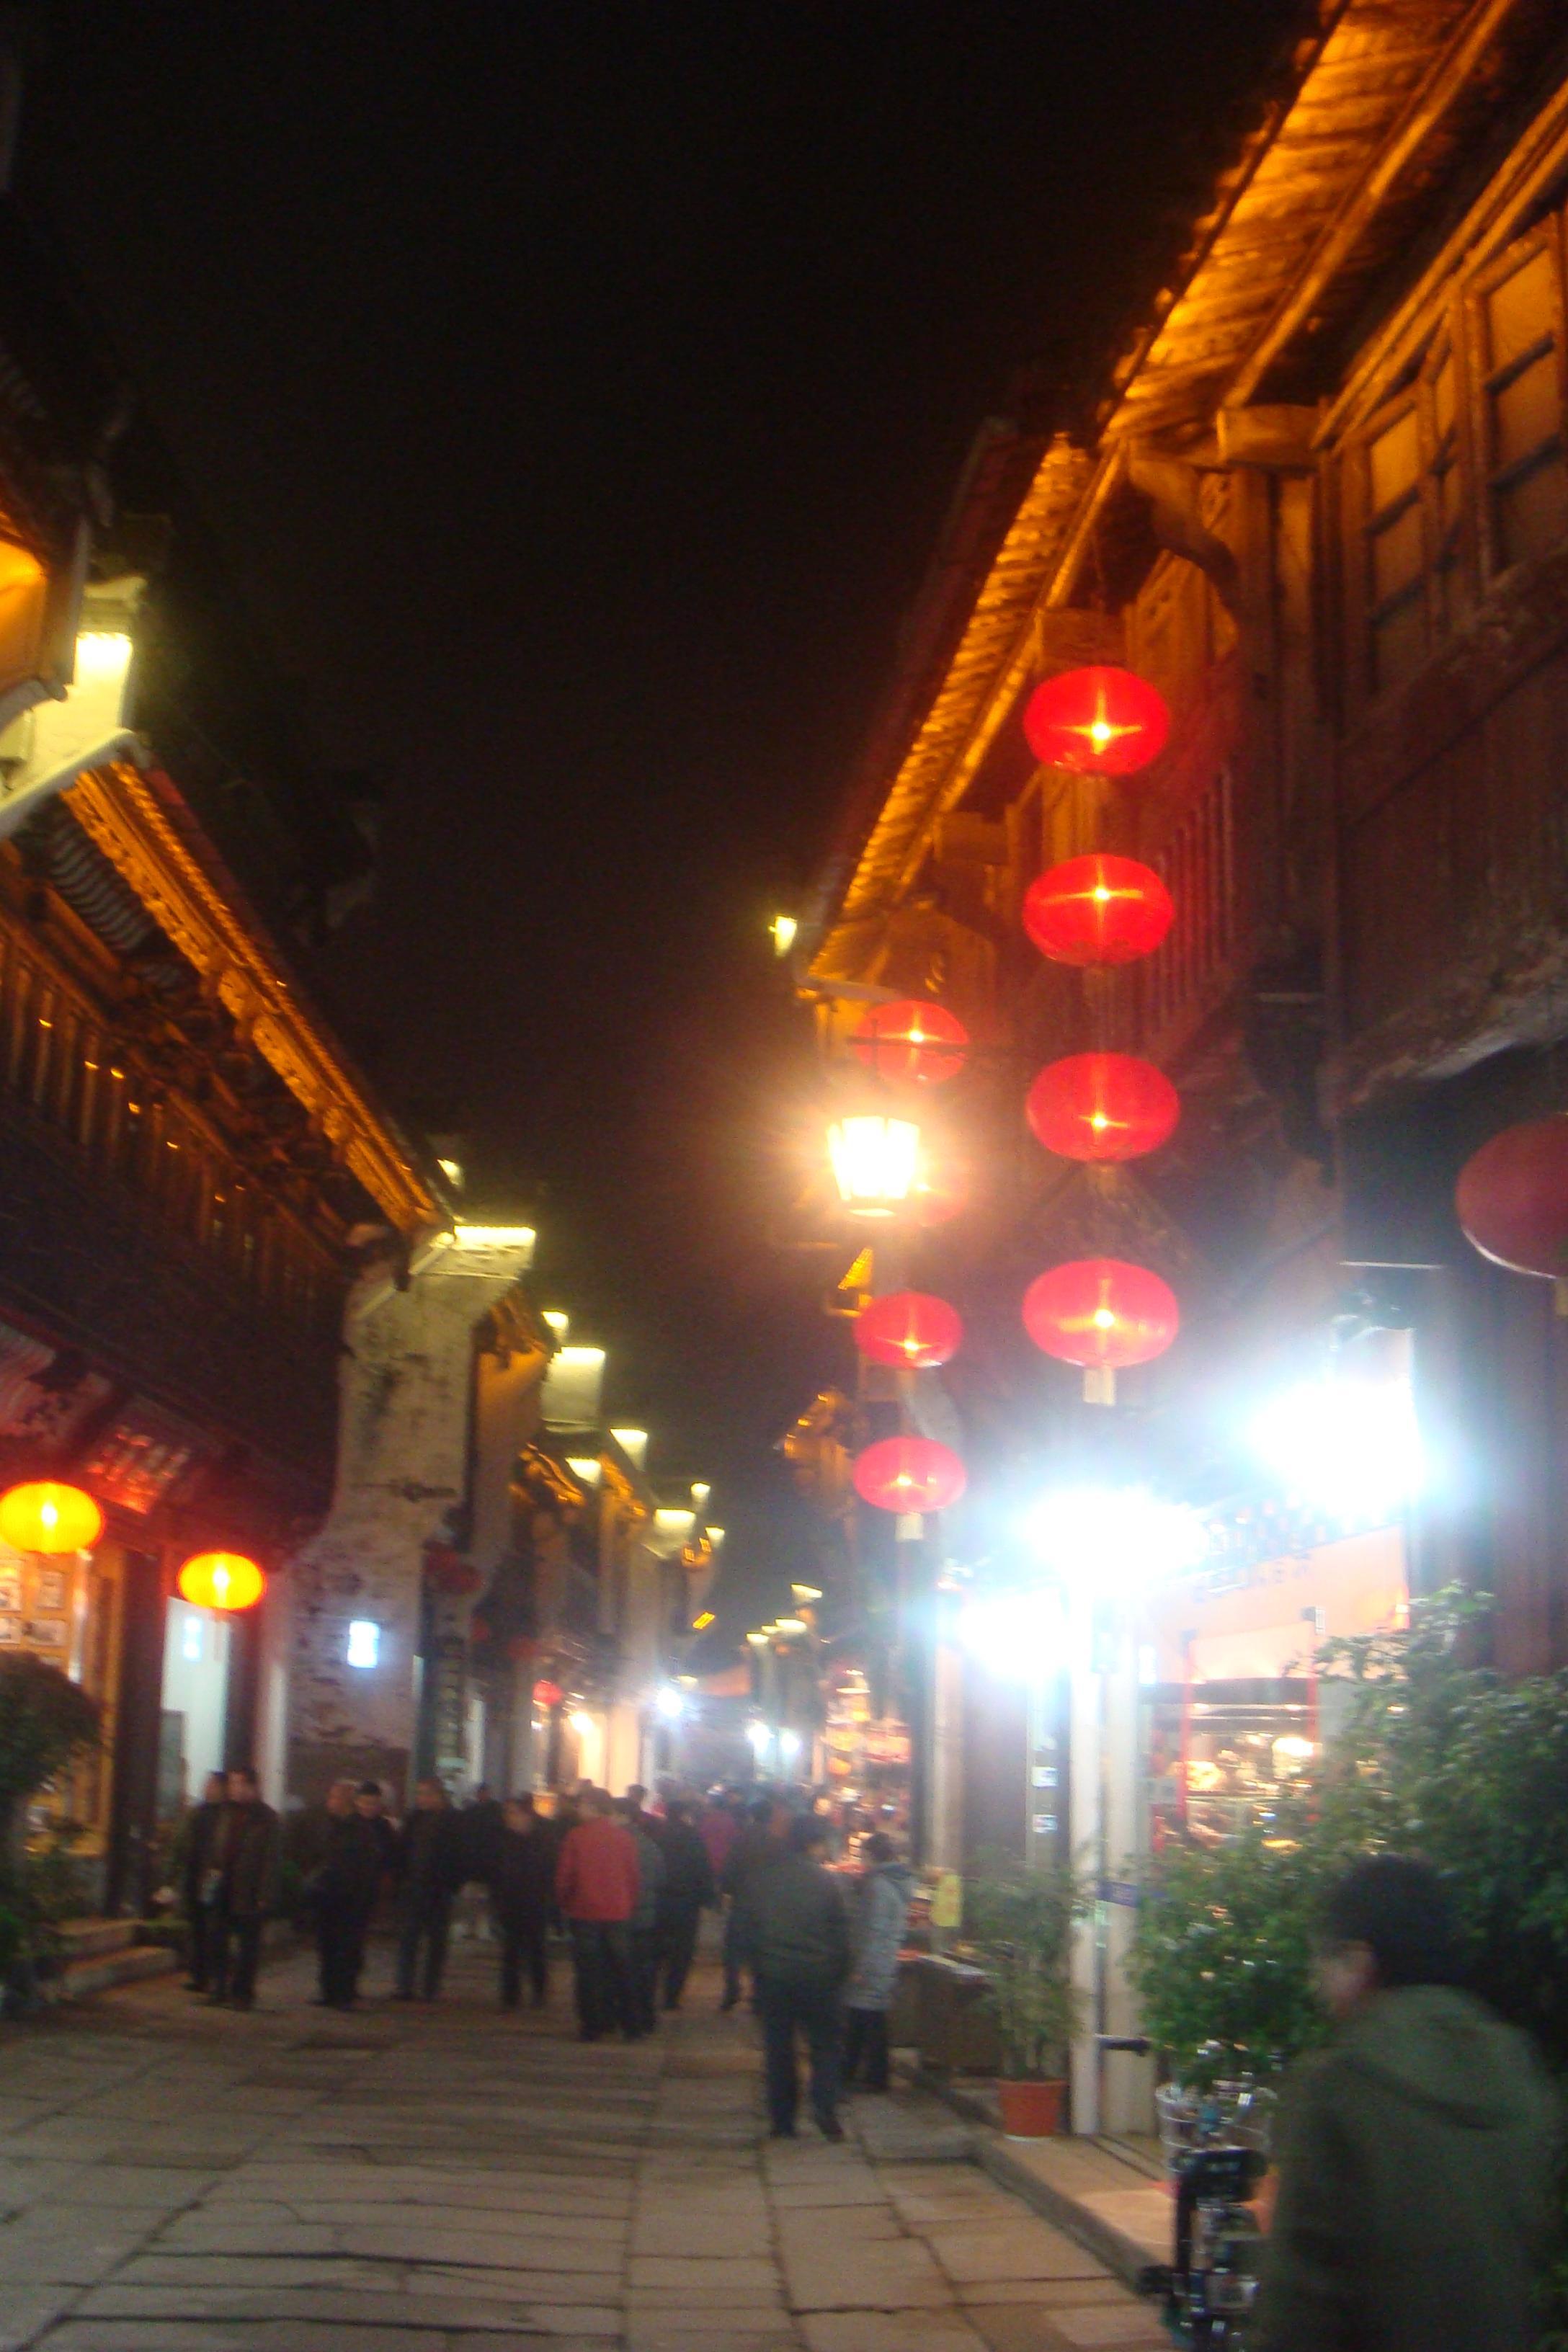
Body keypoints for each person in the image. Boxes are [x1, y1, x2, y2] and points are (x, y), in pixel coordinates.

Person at [1254, 1853, 1559, 2352]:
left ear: (1359, 1962)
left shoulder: (1340, 2086)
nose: (1317, 1984)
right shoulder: (1517, 2068)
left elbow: (1300, 2298)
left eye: (1323, 1962)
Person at [739, 1813, 850, 2140]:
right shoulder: (826, 1882)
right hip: (819, 1977)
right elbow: (840, 1934)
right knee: (825, 2046)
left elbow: (747, 1927)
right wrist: (840, 1971)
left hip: (774, 1976)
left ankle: (783, 2120)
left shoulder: (763, 1878)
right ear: (814, 1844)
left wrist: (756, 1966)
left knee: (779, 2050)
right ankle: (825, 2107)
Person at [556, 1787, 640, 2041]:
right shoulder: (623, 1837)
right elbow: (633, 1876)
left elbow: (565, 1877)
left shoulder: (576, 1837)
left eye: (581, 1805)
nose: (578, 1809)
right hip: (618, 1911)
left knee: (588, 1971)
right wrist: (628, 1903)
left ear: (592, 1807)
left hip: (585, 1911)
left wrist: (564, 1903)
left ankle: (592, 2026)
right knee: (622, 1969)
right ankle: (630, 2024)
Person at [842, 1832, 914, 2093]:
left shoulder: (878, 1887)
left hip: (874, 1962)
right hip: (884, 1959)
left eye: (863, 1855)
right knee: (869, 2018)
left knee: (865, 2020)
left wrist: (860, 1968)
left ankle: (867, 2076)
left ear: (872, 1856)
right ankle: (865, 2075)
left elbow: (873, 1931)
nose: (862, 1861)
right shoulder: (894, 1882)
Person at [308, 1778, 385, 2008]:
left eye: (334, 1797)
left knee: (346, 1948)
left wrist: (360, 1898)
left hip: (350, 1901)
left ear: (346, 1801)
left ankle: (344, 1993)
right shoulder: (331, 1826)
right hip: (328, 1898)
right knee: (327, 1946)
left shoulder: (360, 1831)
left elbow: (365, 1869)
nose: (329, 1802)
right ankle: (328, 1991)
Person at [208, 1765, 280, 2010]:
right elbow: (217, 1850)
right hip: (223, 1886)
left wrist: (264, 1894)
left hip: (249, 1889)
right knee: (218, 1939)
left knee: (248, 1945)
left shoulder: (266, 1818)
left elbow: (271, 1859)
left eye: (237, 1783)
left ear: (251, 1786)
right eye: (231, 1783)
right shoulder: (226, 1813)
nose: (232, 1788)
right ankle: (218, 1988)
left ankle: (242, 1993)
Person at [394, 1777, 464, 2001]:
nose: (421, 1798)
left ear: (438, 1795)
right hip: (415, 1886)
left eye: (426, 1794)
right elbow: (403, 1849)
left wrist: (451, 1883)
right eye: (419, 1794)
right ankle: (405, 1986)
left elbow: (460, 1854)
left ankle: (430, 1987)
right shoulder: (414, 1819)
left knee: (436, 1940)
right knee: (409, 1937)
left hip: (439, 1889)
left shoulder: (453, 1821)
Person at [720, 1794, 785, 2010]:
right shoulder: (777, 1843)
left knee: (733, 1951)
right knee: (762, 1951)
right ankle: (759, 1995)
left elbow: (729, 1869)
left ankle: (732, 1990)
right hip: (767, 1905)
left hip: (742, 1902)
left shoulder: (741, 1840)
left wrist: (727, 1891)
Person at [494, 1794, 555, 2009]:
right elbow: (498, 1871)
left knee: (536, 1950)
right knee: (511, 1950)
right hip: (511, 1903)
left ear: (526, 1815)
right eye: (507, 1813)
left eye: (512, 1813)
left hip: (535, 1903)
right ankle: (510, 1996)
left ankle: (539, 1993)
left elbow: (549, 1871)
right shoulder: (504, 1839)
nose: (508, 1818)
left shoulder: (542, 1838)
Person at [658, 1796, 717, 2010]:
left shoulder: (658, 1835)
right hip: (687, 1902)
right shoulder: (693, 1837)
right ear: (684, 1814)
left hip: (660, 1899)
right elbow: (703, 1869)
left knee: (657, 1949)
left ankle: (648, 1990)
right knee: (682, 1951)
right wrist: (708, 1899)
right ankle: (672, 1997)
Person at [616, 1795, 667, 2034]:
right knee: (644, 1970)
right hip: (646, 1916)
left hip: (620, 1915)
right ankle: (645, 2016)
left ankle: (625, 2017)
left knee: (621, 1969)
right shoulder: (650, 1845)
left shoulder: (615, 1844)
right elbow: (661, 1879)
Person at [177, 1769, 228, 1994]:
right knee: (196, 1926)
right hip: (194, 1876)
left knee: (212, 1928)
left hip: (212, 1878)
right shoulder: (197, 1814)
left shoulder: (225, 1816)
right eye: (207, 1784)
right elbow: (185, 1845)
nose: (207, 1788)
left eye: (212, 1785)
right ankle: (198, 1975)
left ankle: (213, 1976)